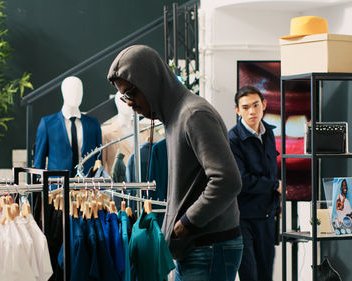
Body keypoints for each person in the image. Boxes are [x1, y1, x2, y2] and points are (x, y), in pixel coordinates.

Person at [107, 45, 243, 281]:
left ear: (149, 82)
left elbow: (227, 180)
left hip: (208, 247)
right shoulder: (175, 117)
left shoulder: (193, 114)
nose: (128, 103)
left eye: (130, 93)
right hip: (198, 247)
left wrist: (185, 223)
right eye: (123, 96)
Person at [228, 85, 280, 281]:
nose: (252, 111)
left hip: (267, 217)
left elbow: (271, 169)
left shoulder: (269, 134)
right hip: (243, 218)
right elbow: (242, 181)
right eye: (246, 107)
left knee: (266, 275)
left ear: (264, 105)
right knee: (250, 275)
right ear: (237, 110)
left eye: (256, 105)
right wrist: (275, 185)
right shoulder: (233, 139)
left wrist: (276, 204)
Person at [34, 76, 102, 176]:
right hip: (57, 187)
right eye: (72, 91)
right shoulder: (48, 124)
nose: (76, 95)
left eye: (79, 91)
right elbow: (39, 163)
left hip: (86, 187)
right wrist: (39, 189)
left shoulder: (93, 124)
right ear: (63, 92)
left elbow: (98, 160)